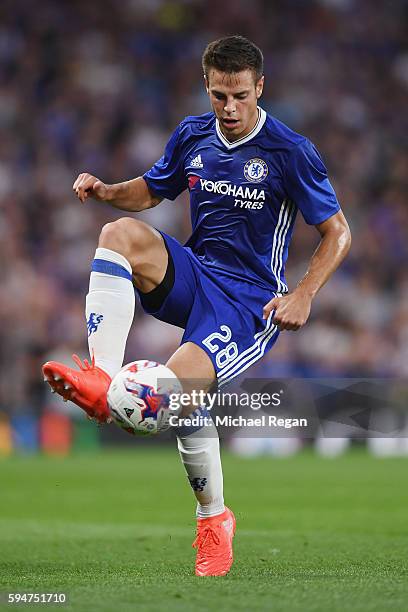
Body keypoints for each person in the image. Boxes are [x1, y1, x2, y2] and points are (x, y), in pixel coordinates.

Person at [43, 35, 351, 576]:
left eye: (238, 96)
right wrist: (105, 188)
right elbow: (154, 189)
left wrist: (303, 293)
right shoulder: (193, 133)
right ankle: (100, 378)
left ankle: (214, 520)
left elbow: (338, 233)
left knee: (176, 395)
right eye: (217, 96)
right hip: (196, 273)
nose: (228, 109)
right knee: (118, 234)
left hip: (247, 303)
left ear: (260, 88)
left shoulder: (290, 151)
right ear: (205, 87)